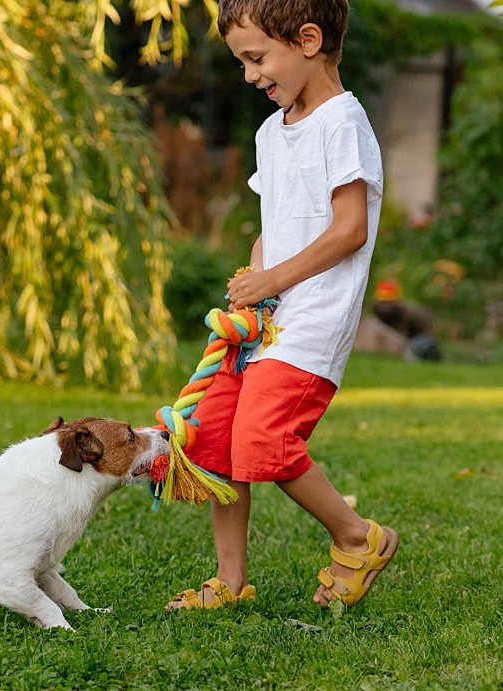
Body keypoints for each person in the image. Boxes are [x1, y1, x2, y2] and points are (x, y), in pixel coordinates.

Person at [166, 0, 398, 611]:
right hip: (265, 324)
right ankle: (231, 582)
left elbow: (350, 230)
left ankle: (358, 536)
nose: (250, 75)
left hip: (312, 323)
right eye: (243, 61)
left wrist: (274, 280)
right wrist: (254, 277)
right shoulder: (273, 132)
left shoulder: (342, 122)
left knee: (265, 442)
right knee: (214, 439)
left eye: (257, 58)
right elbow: (272, 227)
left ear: (309, 40)